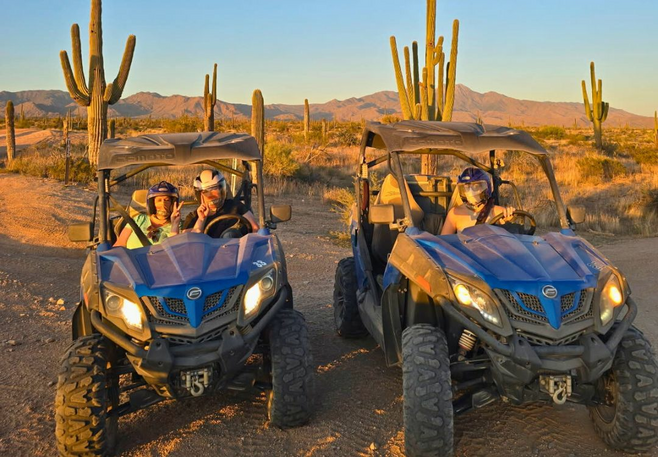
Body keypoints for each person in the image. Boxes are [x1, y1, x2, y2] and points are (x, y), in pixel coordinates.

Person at [183, 169, 259, 237]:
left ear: (222, 191)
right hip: (206, 252)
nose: (212, 197)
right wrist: (201, 219)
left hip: (237, 250)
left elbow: (256, 228)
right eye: (207, 193)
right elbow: (189, 242)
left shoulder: (235, 206)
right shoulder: (193, 217)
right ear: (200, 196)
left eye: (215, 191)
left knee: (230, 234)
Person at [440, 167, 515, 235]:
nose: (470, 192)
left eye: (476, 187)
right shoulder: (455, 213)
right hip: (464, 250)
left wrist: (509, 218)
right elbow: (443, 244)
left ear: (486, 188)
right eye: (466, 187)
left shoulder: (497, 212)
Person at [114, 181, 183, 248]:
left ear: (173, 204)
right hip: (130, 259)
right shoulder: (139, 219)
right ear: (152, 204)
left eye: (167, 200)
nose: (163, 204)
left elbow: (175, 252)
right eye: (159, 200)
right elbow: (119, 244)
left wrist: (175, 224)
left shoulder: (178, 226)